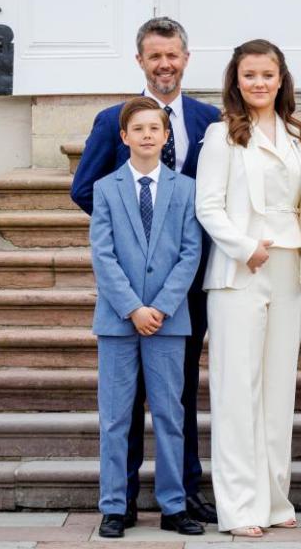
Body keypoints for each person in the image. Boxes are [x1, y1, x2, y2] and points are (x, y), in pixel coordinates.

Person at [70, 17, 220, 526]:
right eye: (154, 56)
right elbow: (86, 190)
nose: (164, 64)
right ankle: (123, 498)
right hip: (122, 298)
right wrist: (132, 244)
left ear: (185, 57)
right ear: (140, 60)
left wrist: (165, 284)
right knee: (122, 408)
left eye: (172, 54)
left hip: (182, 292)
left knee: (176, 401)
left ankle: (183, 495)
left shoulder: (208, 119)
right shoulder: (114, 119)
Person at [195, 39, 301, 536]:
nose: (258, 83)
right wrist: (243, 245)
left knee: (278, 390)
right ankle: (238, 507)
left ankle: (275, 498)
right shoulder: (222, 135)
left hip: (289, 269)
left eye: (267, 75)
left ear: (282, 80)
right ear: (237, 80)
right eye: (249, 75)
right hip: (241, 273)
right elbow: (207, 206)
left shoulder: (297, 134)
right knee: (238, 390)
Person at [91, 97, 204, 538]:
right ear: (124, 137)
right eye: (138, 129)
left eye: (154, 129)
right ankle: (115, 505)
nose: (147, 136)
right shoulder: (106, 188)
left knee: (170, 415)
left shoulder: (185, 189)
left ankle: (174, 505)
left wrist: (159, 306)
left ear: (166, 135)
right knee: (117, 417)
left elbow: (190, 252)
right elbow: (103, 254)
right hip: (118, 321)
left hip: (168, 320)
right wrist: (133, 308)